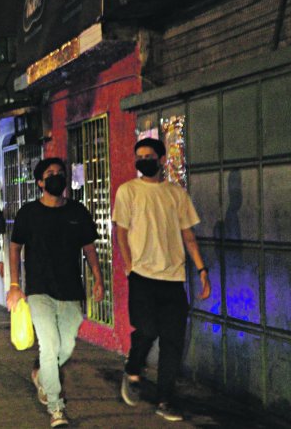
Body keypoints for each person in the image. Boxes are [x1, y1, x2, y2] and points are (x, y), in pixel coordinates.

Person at [114, 137, 211, 422]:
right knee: (146, 329)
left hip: (173, 278)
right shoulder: (128, 191)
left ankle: (165, 399)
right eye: (139, 155)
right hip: (142, 276)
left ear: (160, 159)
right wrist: (129, 265)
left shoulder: (176, 193)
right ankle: (133, 370)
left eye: (148, 155)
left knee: (173, 342)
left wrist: (202, 271)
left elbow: (188, 235)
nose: (143, 159)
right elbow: (121, 231)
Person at [7, 157, 104, 428]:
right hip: (39, 291)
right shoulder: (29, 213)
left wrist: (98, 279)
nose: (56, 177)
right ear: (40, 182)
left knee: (66, 347)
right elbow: (15, 247)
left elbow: (89, 248)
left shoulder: (77, 211)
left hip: (71, 290)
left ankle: (41, 374)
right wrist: (15, 286)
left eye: (60, 173)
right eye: (50, 174)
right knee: (49, 346)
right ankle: (56, 408)